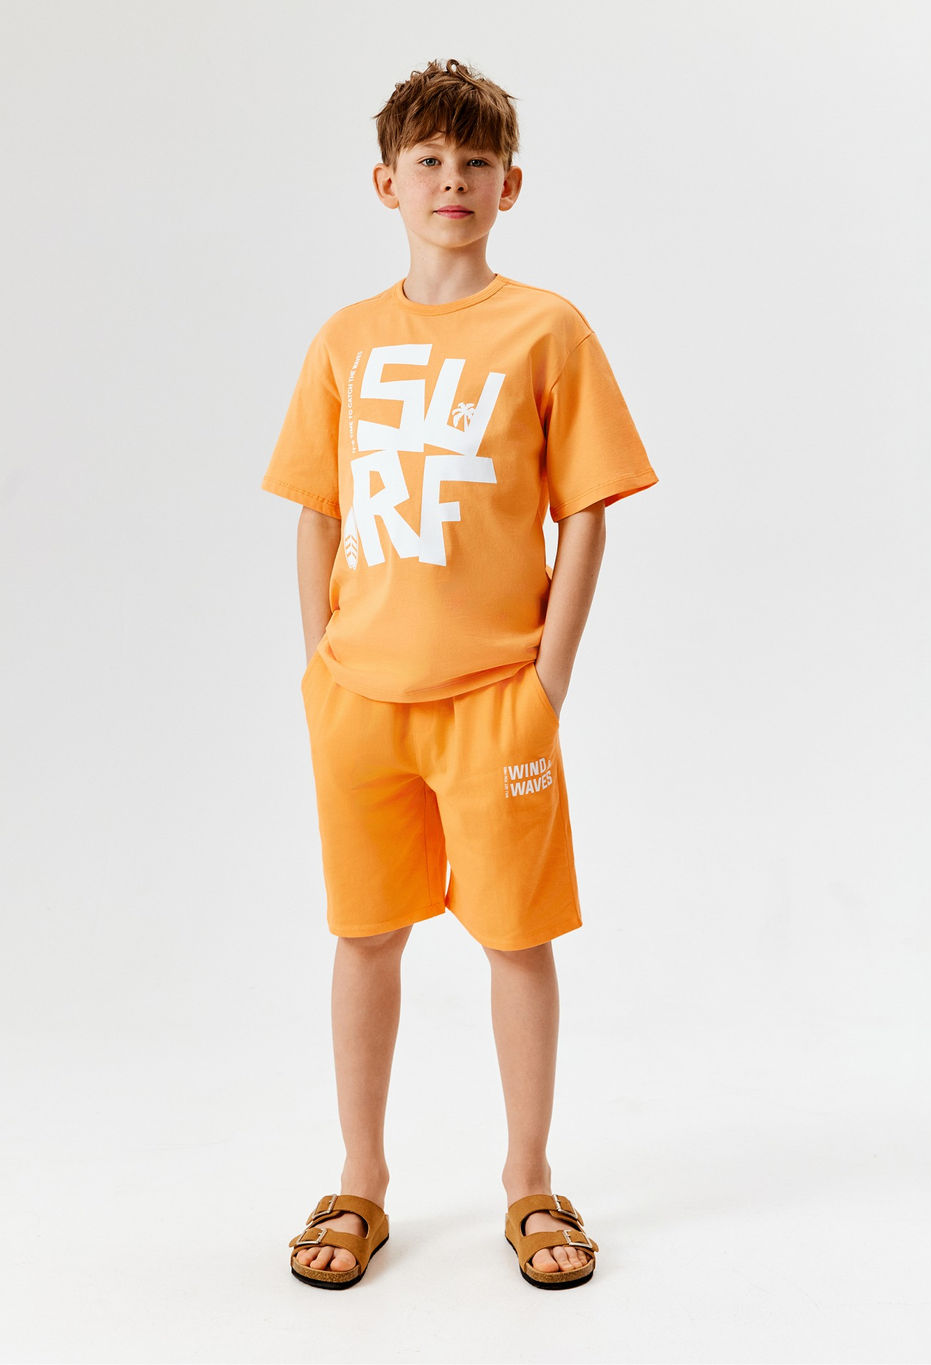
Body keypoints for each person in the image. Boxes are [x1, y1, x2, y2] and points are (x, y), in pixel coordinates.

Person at [261, 57, 658, 1291]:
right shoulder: (345, 339)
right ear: (385, 182)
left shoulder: (546, 329)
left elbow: (586, 511)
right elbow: (316, 511)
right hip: (360, 701)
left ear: (508, 186)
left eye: (475, 163)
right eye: (427, 161)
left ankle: (529, 1181)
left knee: (515, 941)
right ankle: (360, 1182)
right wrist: (318, 667)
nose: (452, 181)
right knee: (364, 936)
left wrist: (547, 681)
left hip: (497, 703)